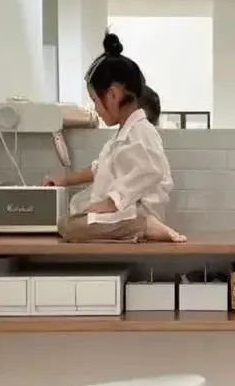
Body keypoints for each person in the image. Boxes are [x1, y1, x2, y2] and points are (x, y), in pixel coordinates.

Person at [42, 32, 186, 243]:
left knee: (69, 226)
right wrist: (64, 180)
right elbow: (99, 169)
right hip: (126, 211)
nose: (95, 109)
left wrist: (111, 203)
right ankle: (137, 226)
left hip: (136, 212)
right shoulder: (123, 135)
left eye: (95, 100)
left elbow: (150, 170)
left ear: (113, 95)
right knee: (70, 219)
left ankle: (143, 225)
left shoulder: (142, 130)